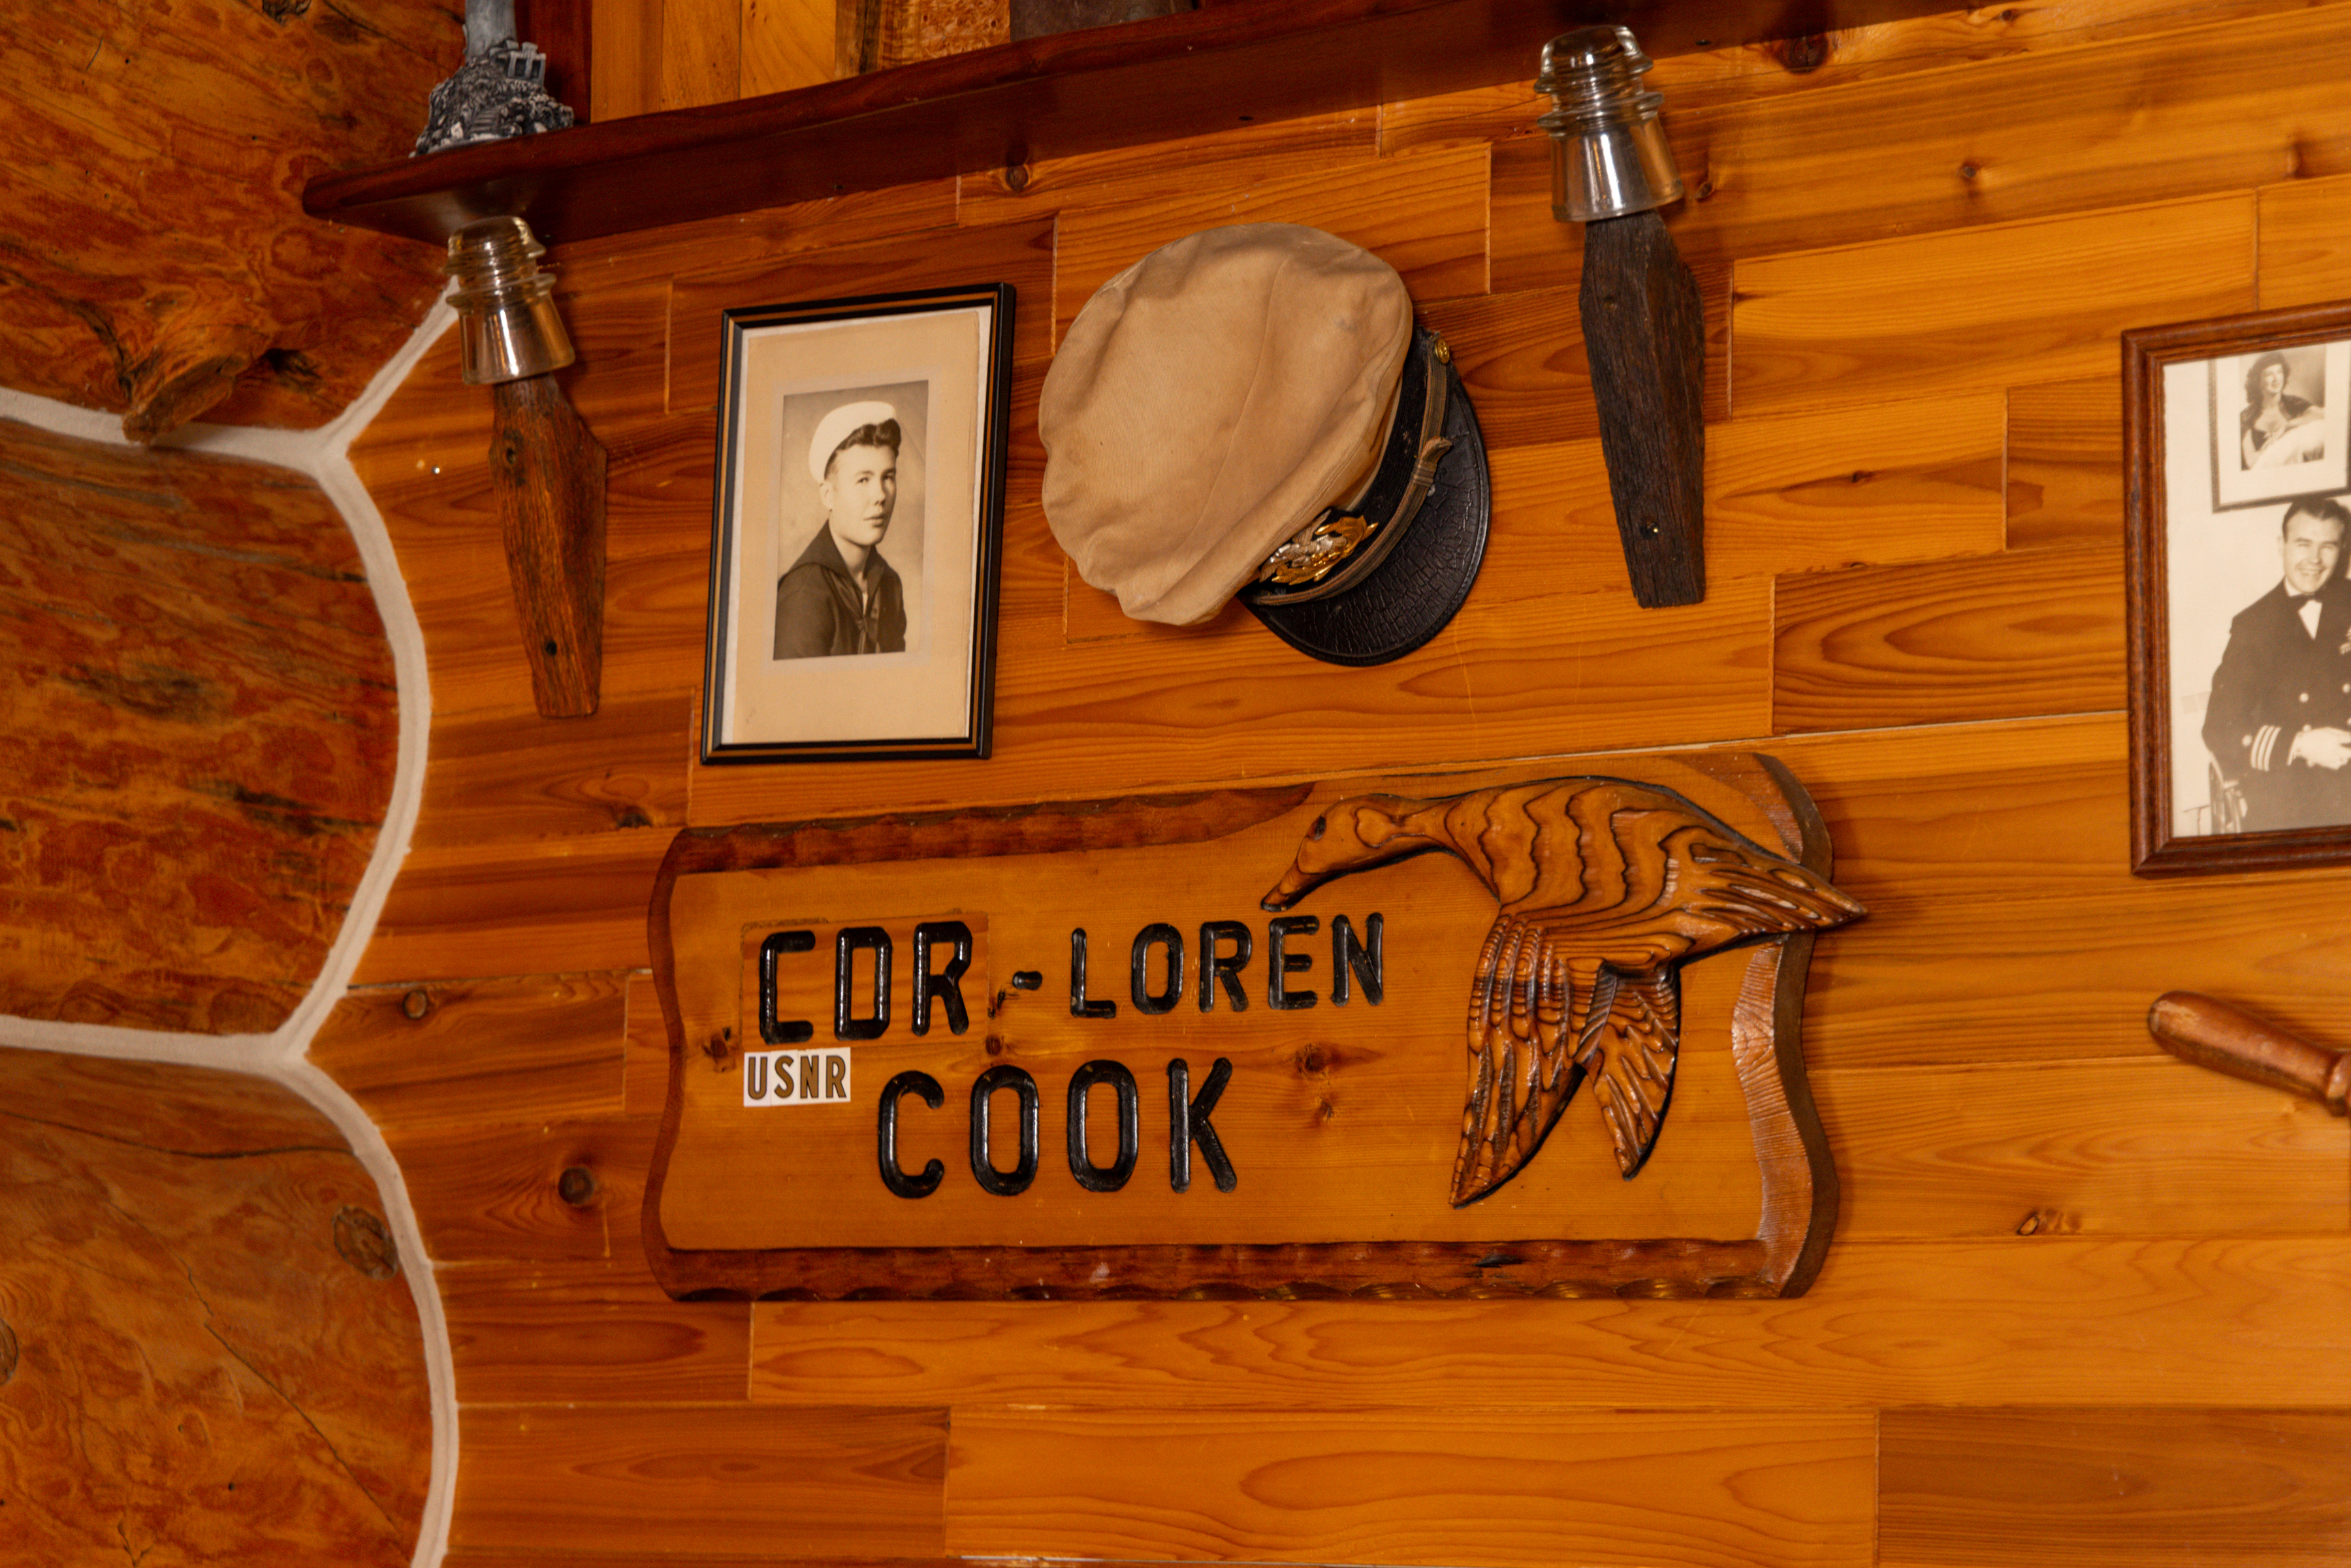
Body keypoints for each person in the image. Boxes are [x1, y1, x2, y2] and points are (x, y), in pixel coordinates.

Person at [2203, 496, 2351, 831]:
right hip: (2290, 795)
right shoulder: (2253, 626)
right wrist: (2301, 745)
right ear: (2281, 546)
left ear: (2341, 549)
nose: (2315, 560)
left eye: (2328, 546)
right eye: (2303, 544)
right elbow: (2219, 729)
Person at [774, 400, 908, 659]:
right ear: (828, 496)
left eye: (888, 477)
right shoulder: (805, 595)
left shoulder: (890, 585)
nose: (880, 495)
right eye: (863, 480)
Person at [2239, 351, 2324, 470]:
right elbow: (2251, 462)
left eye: (2279, 372)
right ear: (2258, 381)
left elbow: (2322, 414)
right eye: (2269, 374)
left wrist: (2286, 427)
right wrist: (2273, 444)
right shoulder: (2246, 416)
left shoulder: (2293, 403)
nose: (2276, 379)